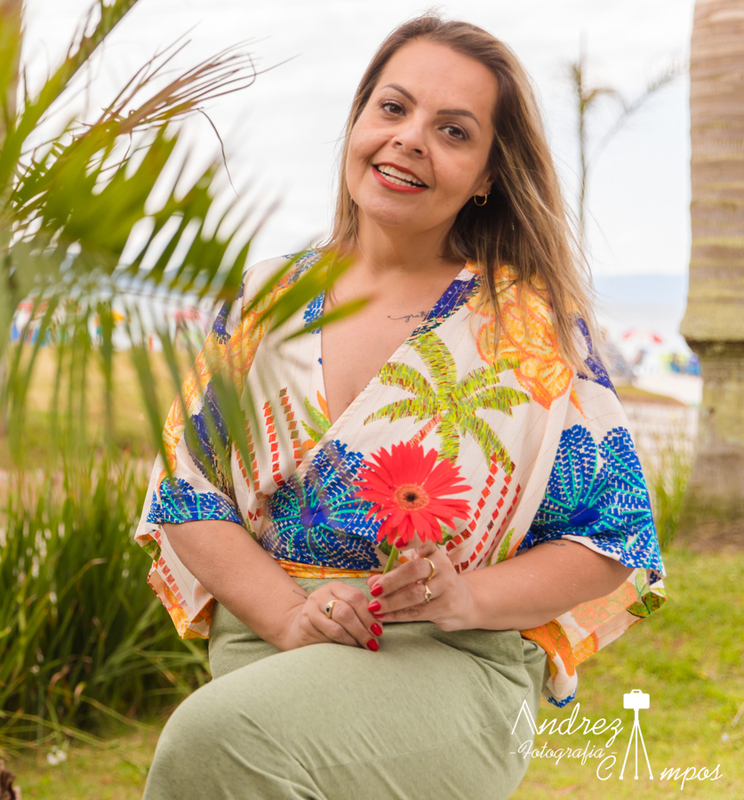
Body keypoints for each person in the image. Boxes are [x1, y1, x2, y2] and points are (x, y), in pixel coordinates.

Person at [133, 14, 666, 800]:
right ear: (356, 121)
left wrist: (467, 596)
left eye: (453, 130)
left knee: (217, 740)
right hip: (268, 642)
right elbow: (186, 491)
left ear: (486, 175)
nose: (410, 138)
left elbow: (611, 535)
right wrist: (288, 616)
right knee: (236, 734)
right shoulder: (268, 295)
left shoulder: (524, 326)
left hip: (446, 662)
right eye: (393, 108)